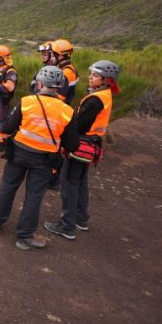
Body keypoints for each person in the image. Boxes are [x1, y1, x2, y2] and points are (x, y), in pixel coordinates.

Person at [0, 66, 79, 250]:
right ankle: (24, 237)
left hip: (19, 152)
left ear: (39, 83)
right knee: (34, 195)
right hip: (44, 160)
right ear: (59, 86)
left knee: (8, 186)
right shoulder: (67, 111)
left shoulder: (26, 102)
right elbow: (73, 145)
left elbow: (6, 127)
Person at [44, 60, 121, 240]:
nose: (90, 77)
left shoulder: (95, 99)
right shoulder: (104, 94)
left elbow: (77, 123)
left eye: (95, 75)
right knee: (80, 182)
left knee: (69, 182)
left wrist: (62, 134)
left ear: (106, 80)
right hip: (90, 144)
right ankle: (80, 218)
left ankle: (67, 226)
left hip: (81, 144)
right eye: (91, 74)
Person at [46, 38, 79, 190]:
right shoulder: (66, 69)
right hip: (59, 109)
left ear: (60, 55)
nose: (50, 56)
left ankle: (53, 179)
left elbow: (60, 95)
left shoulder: (66, 72)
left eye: (52, 54)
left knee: (55, 145)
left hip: (58, 111)